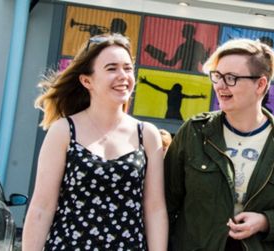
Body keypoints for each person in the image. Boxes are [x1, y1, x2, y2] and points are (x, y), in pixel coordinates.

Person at [22, 33, 168, 251]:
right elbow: (42, 207)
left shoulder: (147, 134)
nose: (123, 76)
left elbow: (155, 209)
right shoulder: (63, 131)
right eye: (111, 68)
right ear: (86, 80)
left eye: (128, 68)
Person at [164, 38, 274, 251]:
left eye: (231, 78)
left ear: (261, 84)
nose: (220, 86)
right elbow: (165, 202)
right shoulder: (195, 131)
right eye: (217, 76)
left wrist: (265, 221)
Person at [139, 76, 207, 121]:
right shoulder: (179, 95)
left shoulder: (171, 93)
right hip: (174, 112)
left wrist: (146, 82)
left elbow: (157, 88)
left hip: (171, 112)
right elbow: (191, 96)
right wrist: (200, 96)